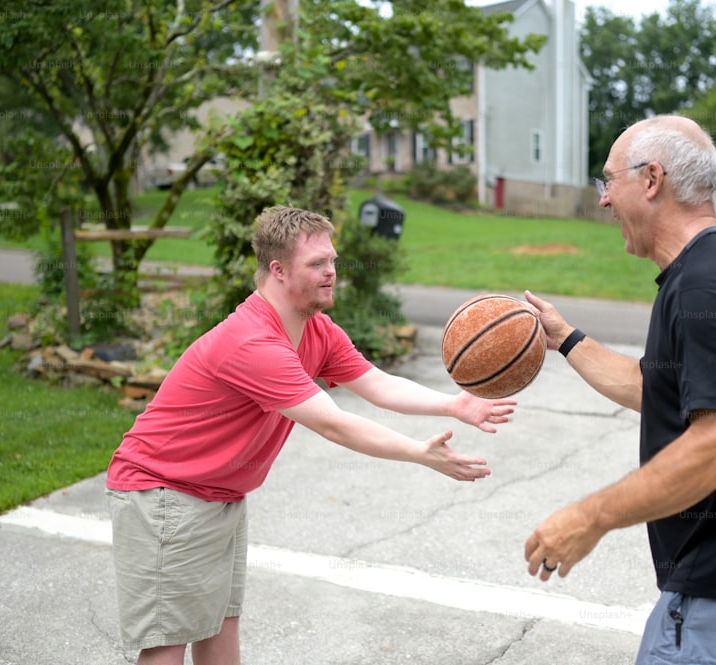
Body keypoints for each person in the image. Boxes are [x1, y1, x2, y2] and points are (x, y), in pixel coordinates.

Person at [105, 205, 516, 664]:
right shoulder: (253, 343)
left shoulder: (314, 329)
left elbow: (376, 383)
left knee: (219, 627)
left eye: (333, 261)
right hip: (165, 493)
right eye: (317, 264)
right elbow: (333, 423)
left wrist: (453, 404)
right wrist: (420, 453)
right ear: (278, 271)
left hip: (218, 495)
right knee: (168, 642)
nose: (332, 273)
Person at [522, 115, 716, 664]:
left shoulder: (708, 283)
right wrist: (567, 339)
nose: (602, 201)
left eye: (607, 181)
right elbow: (663, 389)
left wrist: (589, 517)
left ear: (651, 180)